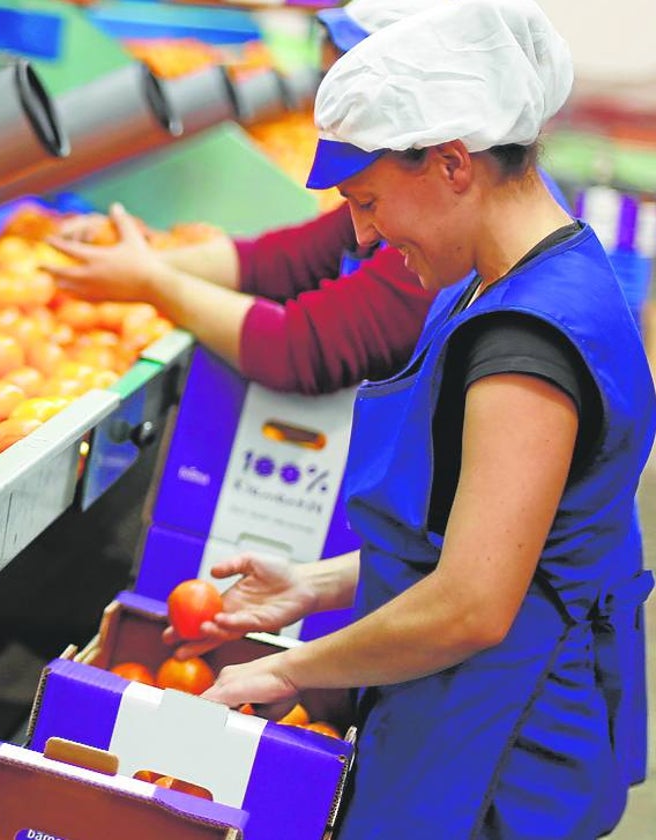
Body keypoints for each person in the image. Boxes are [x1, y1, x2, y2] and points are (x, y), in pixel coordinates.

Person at [173, 1, 655, 836]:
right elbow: (495, 540)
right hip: (465, 711)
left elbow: (473, 602)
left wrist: (290, 673)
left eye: (366, 200)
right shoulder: (500, 284)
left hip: (501, 752)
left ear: (452, 165)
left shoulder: (526, 344)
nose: (360, 235)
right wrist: (316, 586)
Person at [46, 0, 458, 395]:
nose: (326, 120)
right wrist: (132, 260)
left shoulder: (438, 244)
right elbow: (284, 260)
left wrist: (151, 280)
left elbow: (302, 349)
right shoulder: (393, 200)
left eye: (345, 95)